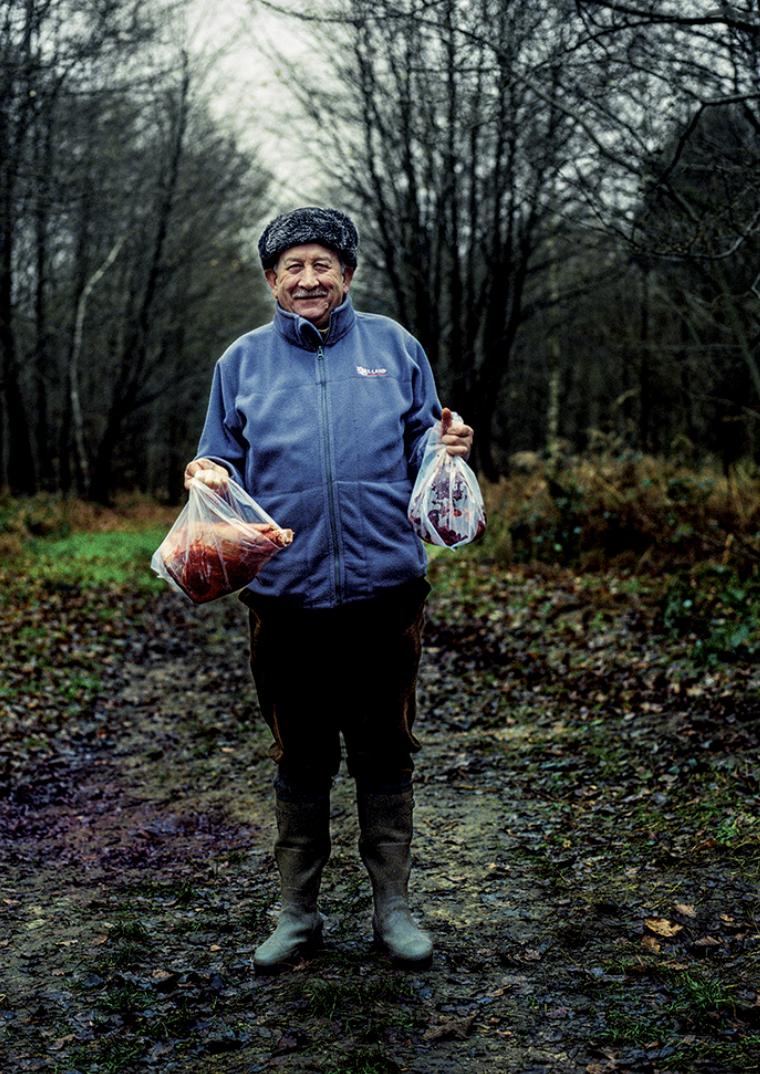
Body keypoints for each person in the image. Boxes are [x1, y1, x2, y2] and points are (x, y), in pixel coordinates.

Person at [184, 207, 473, 972]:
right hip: (284, 597)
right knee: (301, 756)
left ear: (347, 272)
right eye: (292, 266)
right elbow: (220, 457)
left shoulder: (395, 347)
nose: (307, 278)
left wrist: (444, 447)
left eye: (322, 264)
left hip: (387, 590)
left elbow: (422, 438)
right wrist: (206, 472)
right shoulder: (240, 362)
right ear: (272, 280)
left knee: (385, 752)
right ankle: (297, 916)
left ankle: (394, 913)